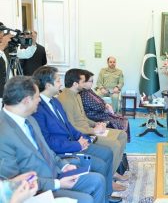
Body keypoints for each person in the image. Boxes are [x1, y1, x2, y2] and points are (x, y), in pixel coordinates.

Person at [0, 76, 105, 202]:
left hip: (56, 173)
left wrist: (64, 166)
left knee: (98, 180)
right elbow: (14, 184)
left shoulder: (29, 119)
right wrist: (57, 184)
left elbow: (47, 150)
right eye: (37, 97)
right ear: (27, 100)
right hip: (37, 190)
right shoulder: (3, 133)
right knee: (86, 199)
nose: (40, 100)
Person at [31, 66, 126, 198]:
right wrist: (78, 144)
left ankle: (106, 194)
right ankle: (102, 193)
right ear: (48, 85)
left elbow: (68, 125)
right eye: (58, 80)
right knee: (100, 164)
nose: (61, 83)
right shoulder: (38, 108)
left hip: (75, 142)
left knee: (108, 153)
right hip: (65, 150)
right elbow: (48, 141)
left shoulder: (54, 102)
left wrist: (84, 139)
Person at [57, 68, 127, 180]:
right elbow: (71, 127)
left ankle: (112, 172)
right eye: (83, 81)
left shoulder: (77, 94)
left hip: (88, 129)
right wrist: (93, 131)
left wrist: (97, 124)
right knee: (114, 144)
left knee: (122, 135)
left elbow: (83, 118)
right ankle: (110, 177)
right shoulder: (66, 99)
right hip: (83, 134)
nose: (85, 83)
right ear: (76, 84)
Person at [80, 69, 130, 137]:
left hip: (114, 91)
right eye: (91, 81)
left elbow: (121, 82)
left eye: (92, 81)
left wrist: (106, 104)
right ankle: (118, 136)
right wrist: (101, 88)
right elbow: (99, 83)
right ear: (83, 82)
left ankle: (114, 113)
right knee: (121, 120)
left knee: (115, 98)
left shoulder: (89, 90)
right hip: (96, 114)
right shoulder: (84, 93)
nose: (92, 83)